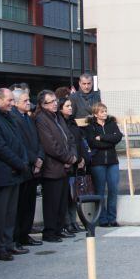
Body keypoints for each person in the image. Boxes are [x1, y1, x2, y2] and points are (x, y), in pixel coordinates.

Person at [0, 88, 29, 261]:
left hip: (15, 171)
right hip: (4, 172)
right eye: (9, 100)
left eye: (12, 100)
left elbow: (18, 141)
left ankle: (9, 243)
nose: (12, 103)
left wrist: (23, 161)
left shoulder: (8, 116)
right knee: (1, 213)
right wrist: (19, 163)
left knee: (11, 212)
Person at [34, 90, 77, 242]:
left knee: (61, 202)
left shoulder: (58, 117)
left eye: (55, 101)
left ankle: (59, 229)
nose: (54, 104)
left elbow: (70, 138)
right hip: (52, 168)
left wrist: (73, 156)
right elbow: (50, 145)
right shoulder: (41, 119)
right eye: (50, 102)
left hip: (65, 167)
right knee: (51, 203)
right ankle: (50, 232)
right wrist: (67, 158)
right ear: (42, 104)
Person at [10, 88, 44, 248]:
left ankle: (25, 233)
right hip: (24, 166)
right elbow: (20, 144)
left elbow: (37, 140)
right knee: (20, 205)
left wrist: (40, 158)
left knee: (29, 204)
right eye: (25, 101)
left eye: (28, 100)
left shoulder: (29, 118)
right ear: (16, 103)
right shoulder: (14, 119)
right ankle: (16, 236)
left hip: (34, 166)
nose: (28, 103)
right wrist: (33, 159)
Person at [85, 103, 124, 227]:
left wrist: (101, 137)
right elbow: (92, 143)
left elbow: (117, 137)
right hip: (98, 163)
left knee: (113, 189)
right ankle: (102, 219)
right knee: (100, 191)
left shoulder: (111, 124)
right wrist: (109, 141)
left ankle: (112, 218)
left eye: (105, 111)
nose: (105, 113)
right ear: (96, 114)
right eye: (102, 112)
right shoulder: (91, 127)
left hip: (112, 162)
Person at [59, 98, 87, 234]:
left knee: (74, 195)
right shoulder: (59, 122)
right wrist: (70, 159)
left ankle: (74, 221)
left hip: (76, 162)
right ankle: (67, 223)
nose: (70, 108)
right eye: (67, 106)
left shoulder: (72, 121)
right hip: (66, 163)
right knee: (66, 196)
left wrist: (81, 158)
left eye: (71, 106)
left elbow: (78, 141)